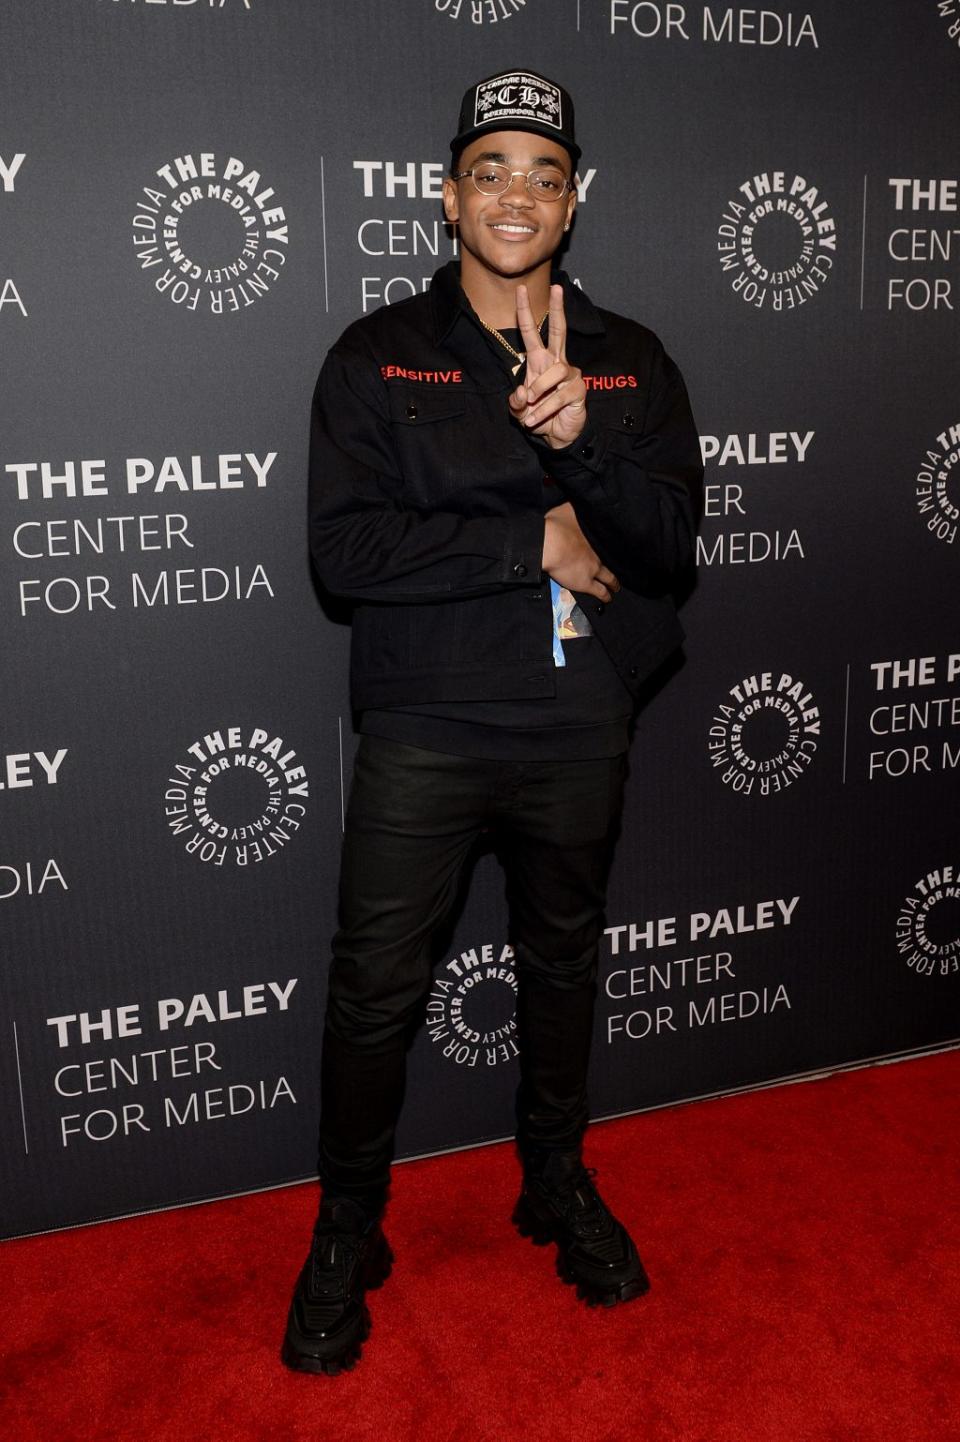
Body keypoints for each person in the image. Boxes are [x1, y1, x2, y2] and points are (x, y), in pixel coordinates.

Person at [283, 67, 703, 1375]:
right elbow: (347, 552)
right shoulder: (374, 353)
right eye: (492, 168)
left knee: (565, 961)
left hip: (579, 717)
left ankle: (554, 1183)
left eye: (544, 172)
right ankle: (350, 1223)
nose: (517, 194)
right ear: (446, 192)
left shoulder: (629, 358)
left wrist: (590, 452)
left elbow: (672, 548)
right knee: (373, 988)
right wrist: (535, 530)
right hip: (427, 721)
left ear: (571, 203)